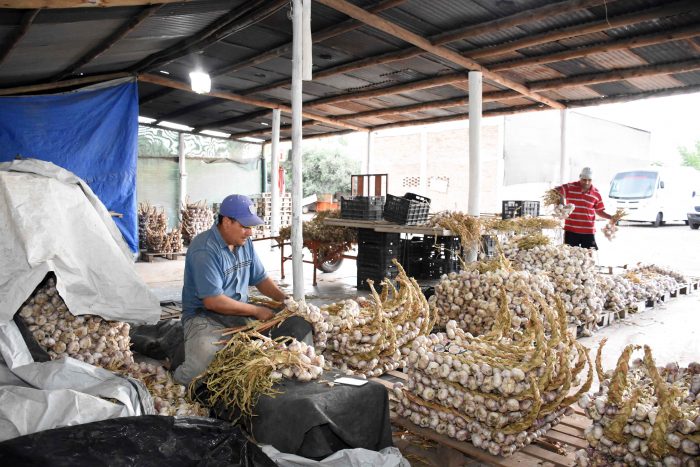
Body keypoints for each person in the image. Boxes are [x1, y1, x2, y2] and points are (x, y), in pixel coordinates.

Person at [173, 194, 311, 386]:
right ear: (227, 222)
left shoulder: (244, 244)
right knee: (205, 356)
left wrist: (285, 300)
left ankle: (303, 371)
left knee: (298, 323)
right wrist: (256, 311)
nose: (250, 232)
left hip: (239, 310)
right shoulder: (204, 249)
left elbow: (260, 279)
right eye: (245, 226)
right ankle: (180, 382)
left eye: (251, 227)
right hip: (204, 315)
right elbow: (213, 301)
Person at [556, 167, 613, 250]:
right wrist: (561, 204)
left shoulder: (596, 193)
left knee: (589, 256)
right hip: (571, 230)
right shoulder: (570, 187)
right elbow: (556, 191)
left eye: (589, 180)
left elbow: (599, 211)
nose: (586, 182)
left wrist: (611, 217)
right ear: (580, 178)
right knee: (570, 256)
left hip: (588, 231)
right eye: (584, 179)